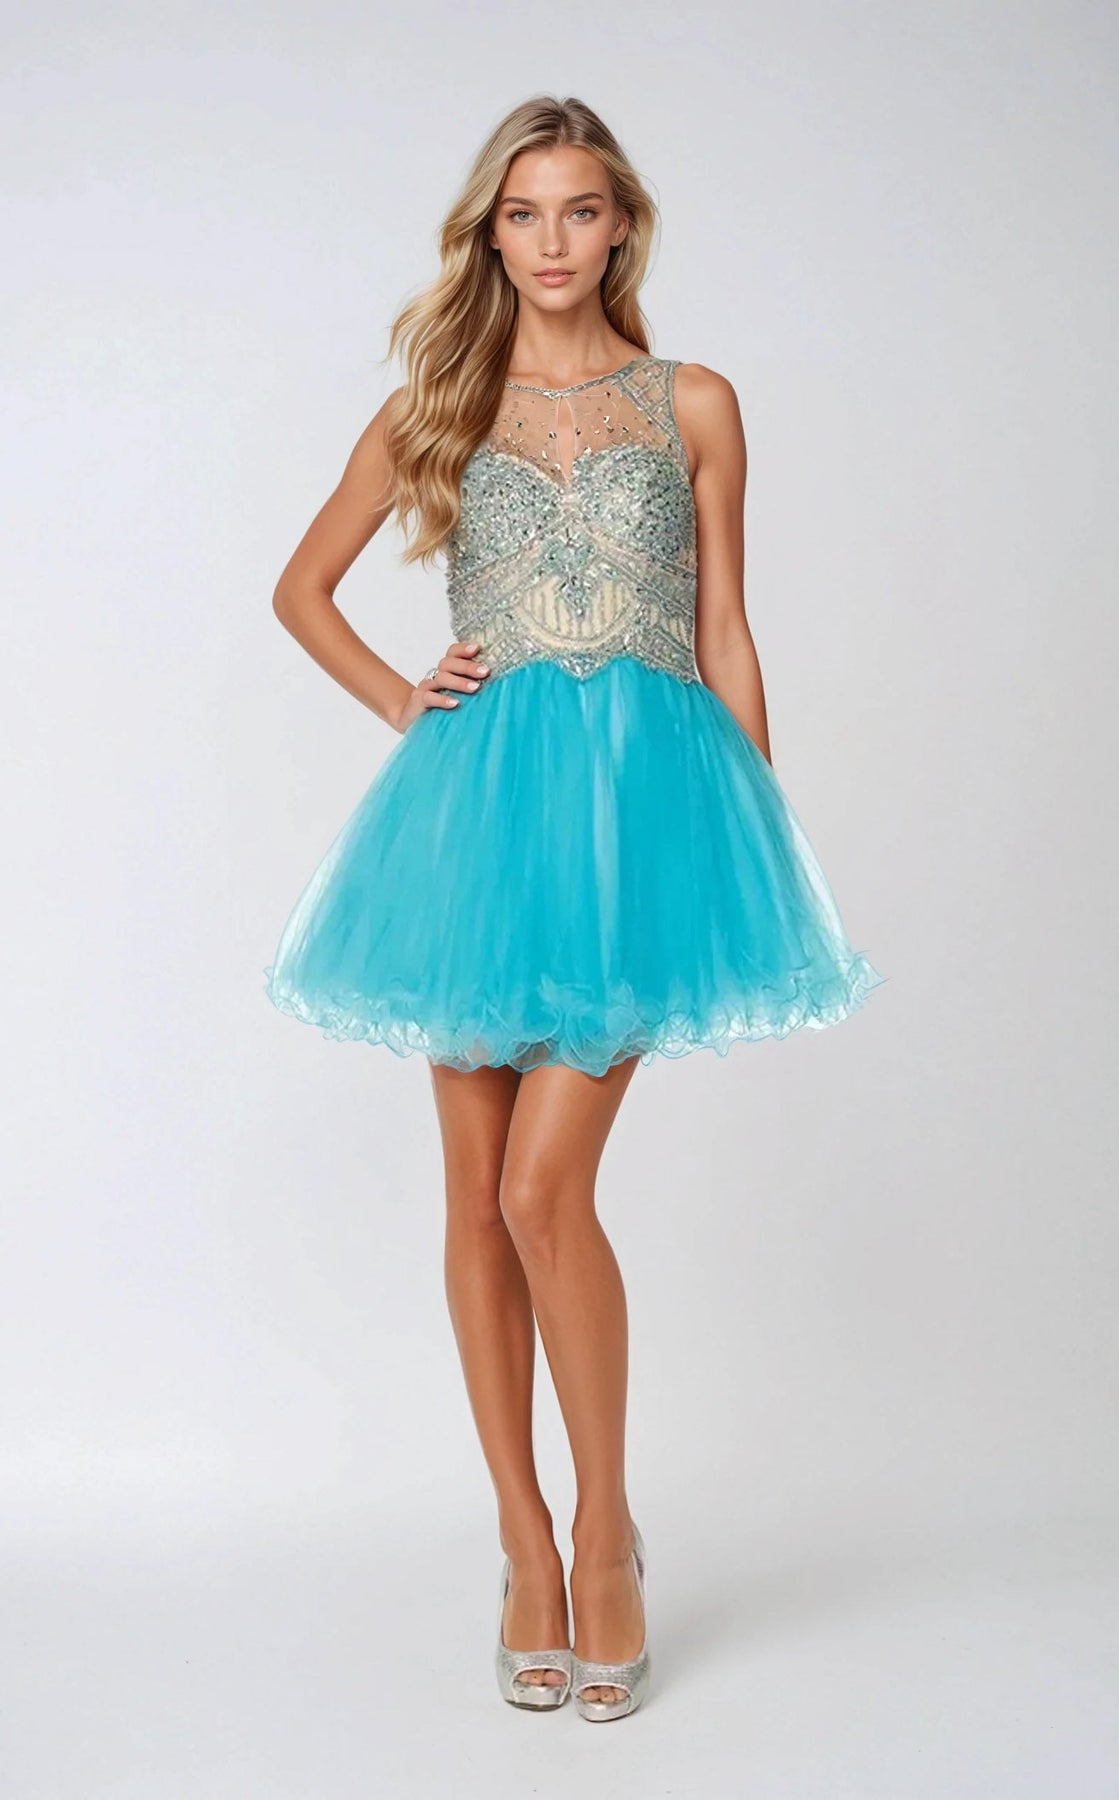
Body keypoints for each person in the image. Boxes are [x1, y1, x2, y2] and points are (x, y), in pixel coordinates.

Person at [263, 93, 886, 1723]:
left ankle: (608, 1534)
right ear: (492, 232)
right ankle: (523, 1544)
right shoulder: (443, 403)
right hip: (473, 824)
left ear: (624, 226)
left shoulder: (695, 402)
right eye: (523, 212)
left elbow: (727, 627)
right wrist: (404, 699)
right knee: (478, 1201)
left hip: (643, 820)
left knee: (547, 1190)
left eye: (581, 209)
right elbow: (299, 589)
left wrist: (753, 832)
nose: (553, 240)